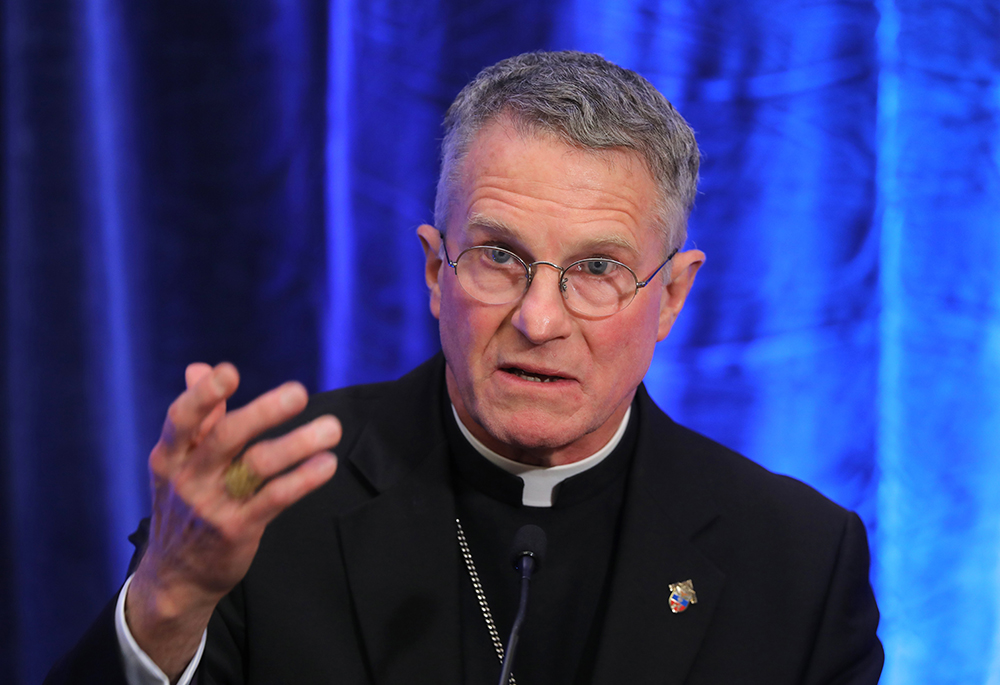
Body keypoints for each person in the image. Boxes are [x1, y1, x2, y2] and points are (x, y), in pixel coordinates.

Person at [46, 51, 883, 685]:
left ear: (670, 296)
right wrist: (163, 605)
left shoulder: (798, 561)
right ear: (436, 270)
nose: (539, 318)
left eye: (597, 268)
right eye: (498, 255)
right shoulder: (264, 505)